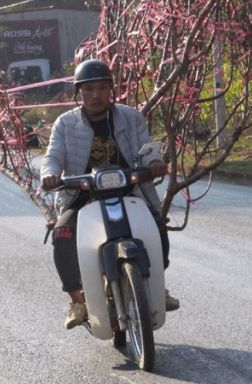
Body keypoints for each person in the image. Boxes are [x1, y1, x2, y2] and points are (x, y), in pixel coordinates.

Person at [40, 59, 181, 329]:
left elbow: (147, 147)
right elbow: (53, 156)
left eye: (102, 88)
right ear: (78, 92)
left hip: (130, 191)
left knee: (157, 227)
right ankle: (77, 301)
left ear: (111, 90)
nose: (96, 95)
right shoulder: (64, 124)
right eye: (89, 89)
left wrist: (154, 161)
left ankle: (155, 287)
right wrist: (50, 173)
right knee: (62, 235)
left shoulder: (131, 117)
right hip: (81, 198)